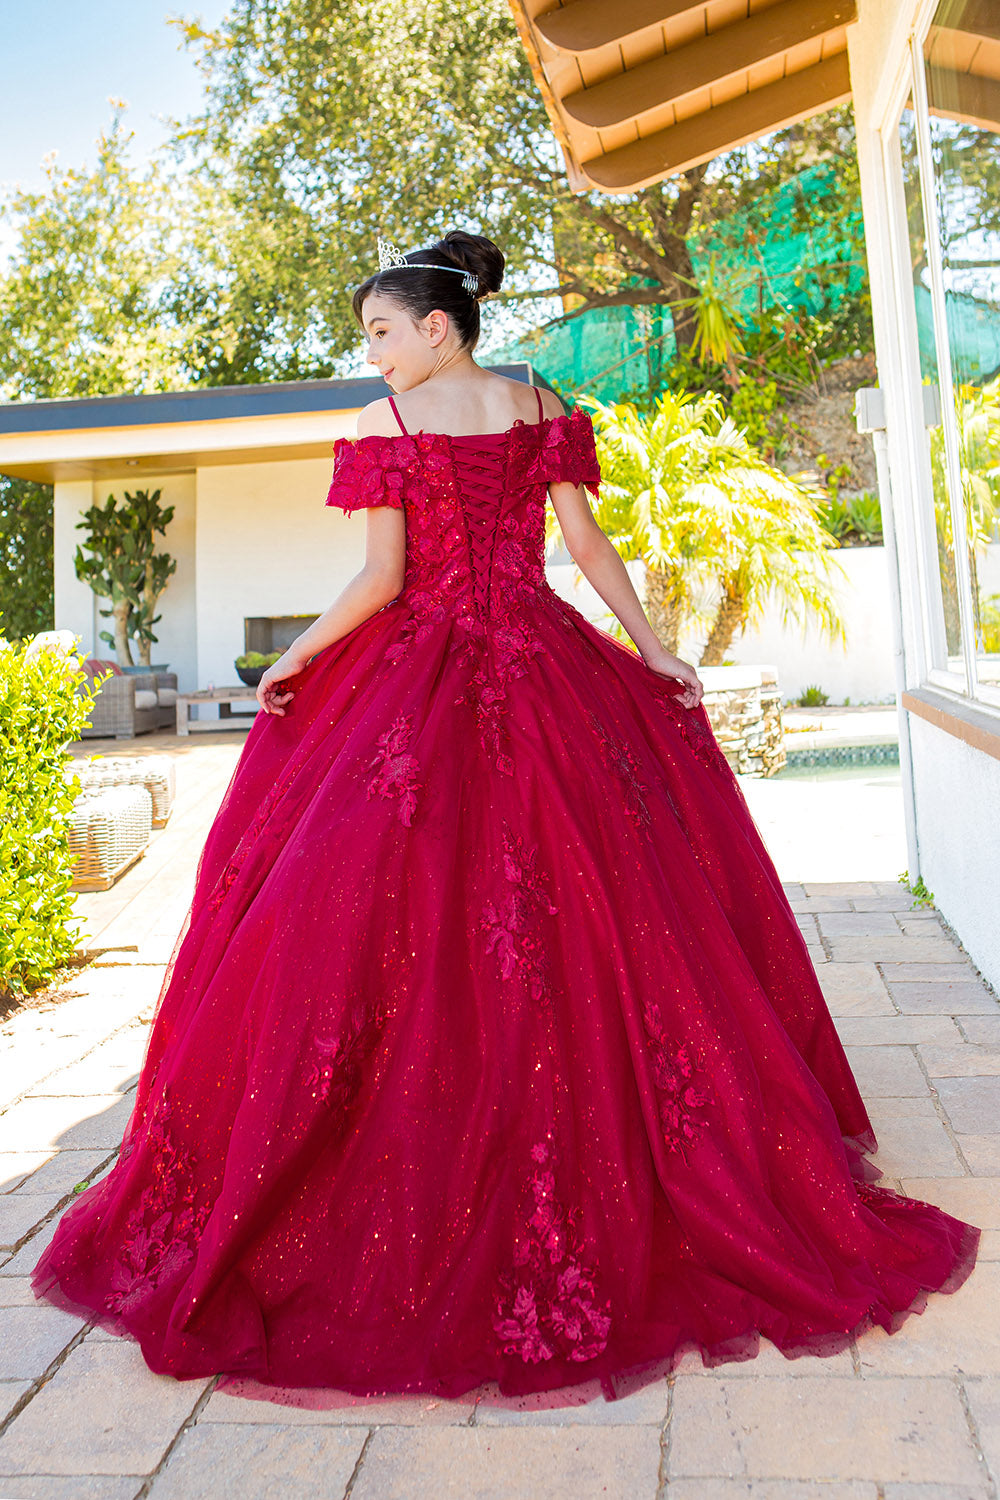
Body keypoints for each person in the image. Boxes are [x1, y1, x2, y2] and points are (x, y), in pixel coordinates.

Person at [31, 229, 979, 1408]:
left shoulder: (389, 432)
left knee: (382, 909)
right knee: (599, 905)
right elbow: (584, 545)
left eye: (381, 332)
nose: (369, 357)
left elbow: (383, 581)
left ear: (440, 327)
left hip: (419, 677)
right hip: (545, 667)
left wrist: (296, 662)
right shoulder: (538, 405)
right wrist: (654, 650)